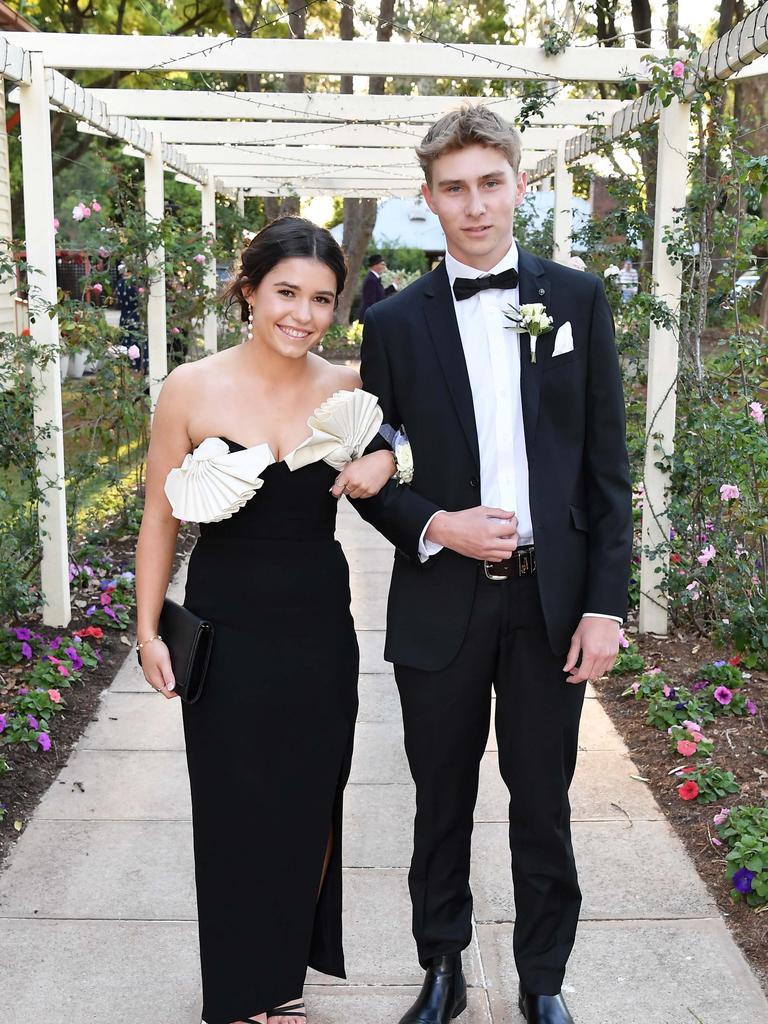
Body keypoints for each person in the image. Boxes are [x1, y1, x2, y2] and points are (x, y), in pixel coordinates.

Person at [336, 105, 633, 1024]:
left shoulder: (577, 300)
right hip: (441, 598)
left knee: (542, 802)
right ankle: (441, 968)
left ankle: (543, 980)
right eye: (454, 189)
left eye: (490, 183)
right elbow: (371, 470)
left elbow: (606, 470)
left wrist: (605, 606)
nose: (474, 205)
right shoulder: (389, 322)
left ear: (519, 185)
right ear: (429, 200)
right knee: (441, 800)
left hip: (552, 603)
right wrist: (438, 526)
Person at [135, 216, 396, 1024]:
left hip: (319, 621)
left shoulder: (347, 390)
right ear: (249, 290)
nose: (303, 313)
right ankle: (245, 992)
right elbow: (157, 518)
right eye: (287, 292)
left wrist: (387, 455)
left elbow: (398, 455)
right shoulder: (191, 387)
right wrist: (147, 630)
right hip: (226, 622)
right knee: (233, 805)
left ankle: (282, 977)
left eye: (322, 298)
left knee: (311, 798)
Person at [358, 253, 387, 320]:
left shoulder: (374, 278)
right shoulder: (371, 280)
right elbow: (371, 302)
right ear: (375, 265)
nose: (384, 266)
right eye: (382, 264)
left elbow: (380, 294)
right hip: (370, 317)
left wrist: (394, 285)